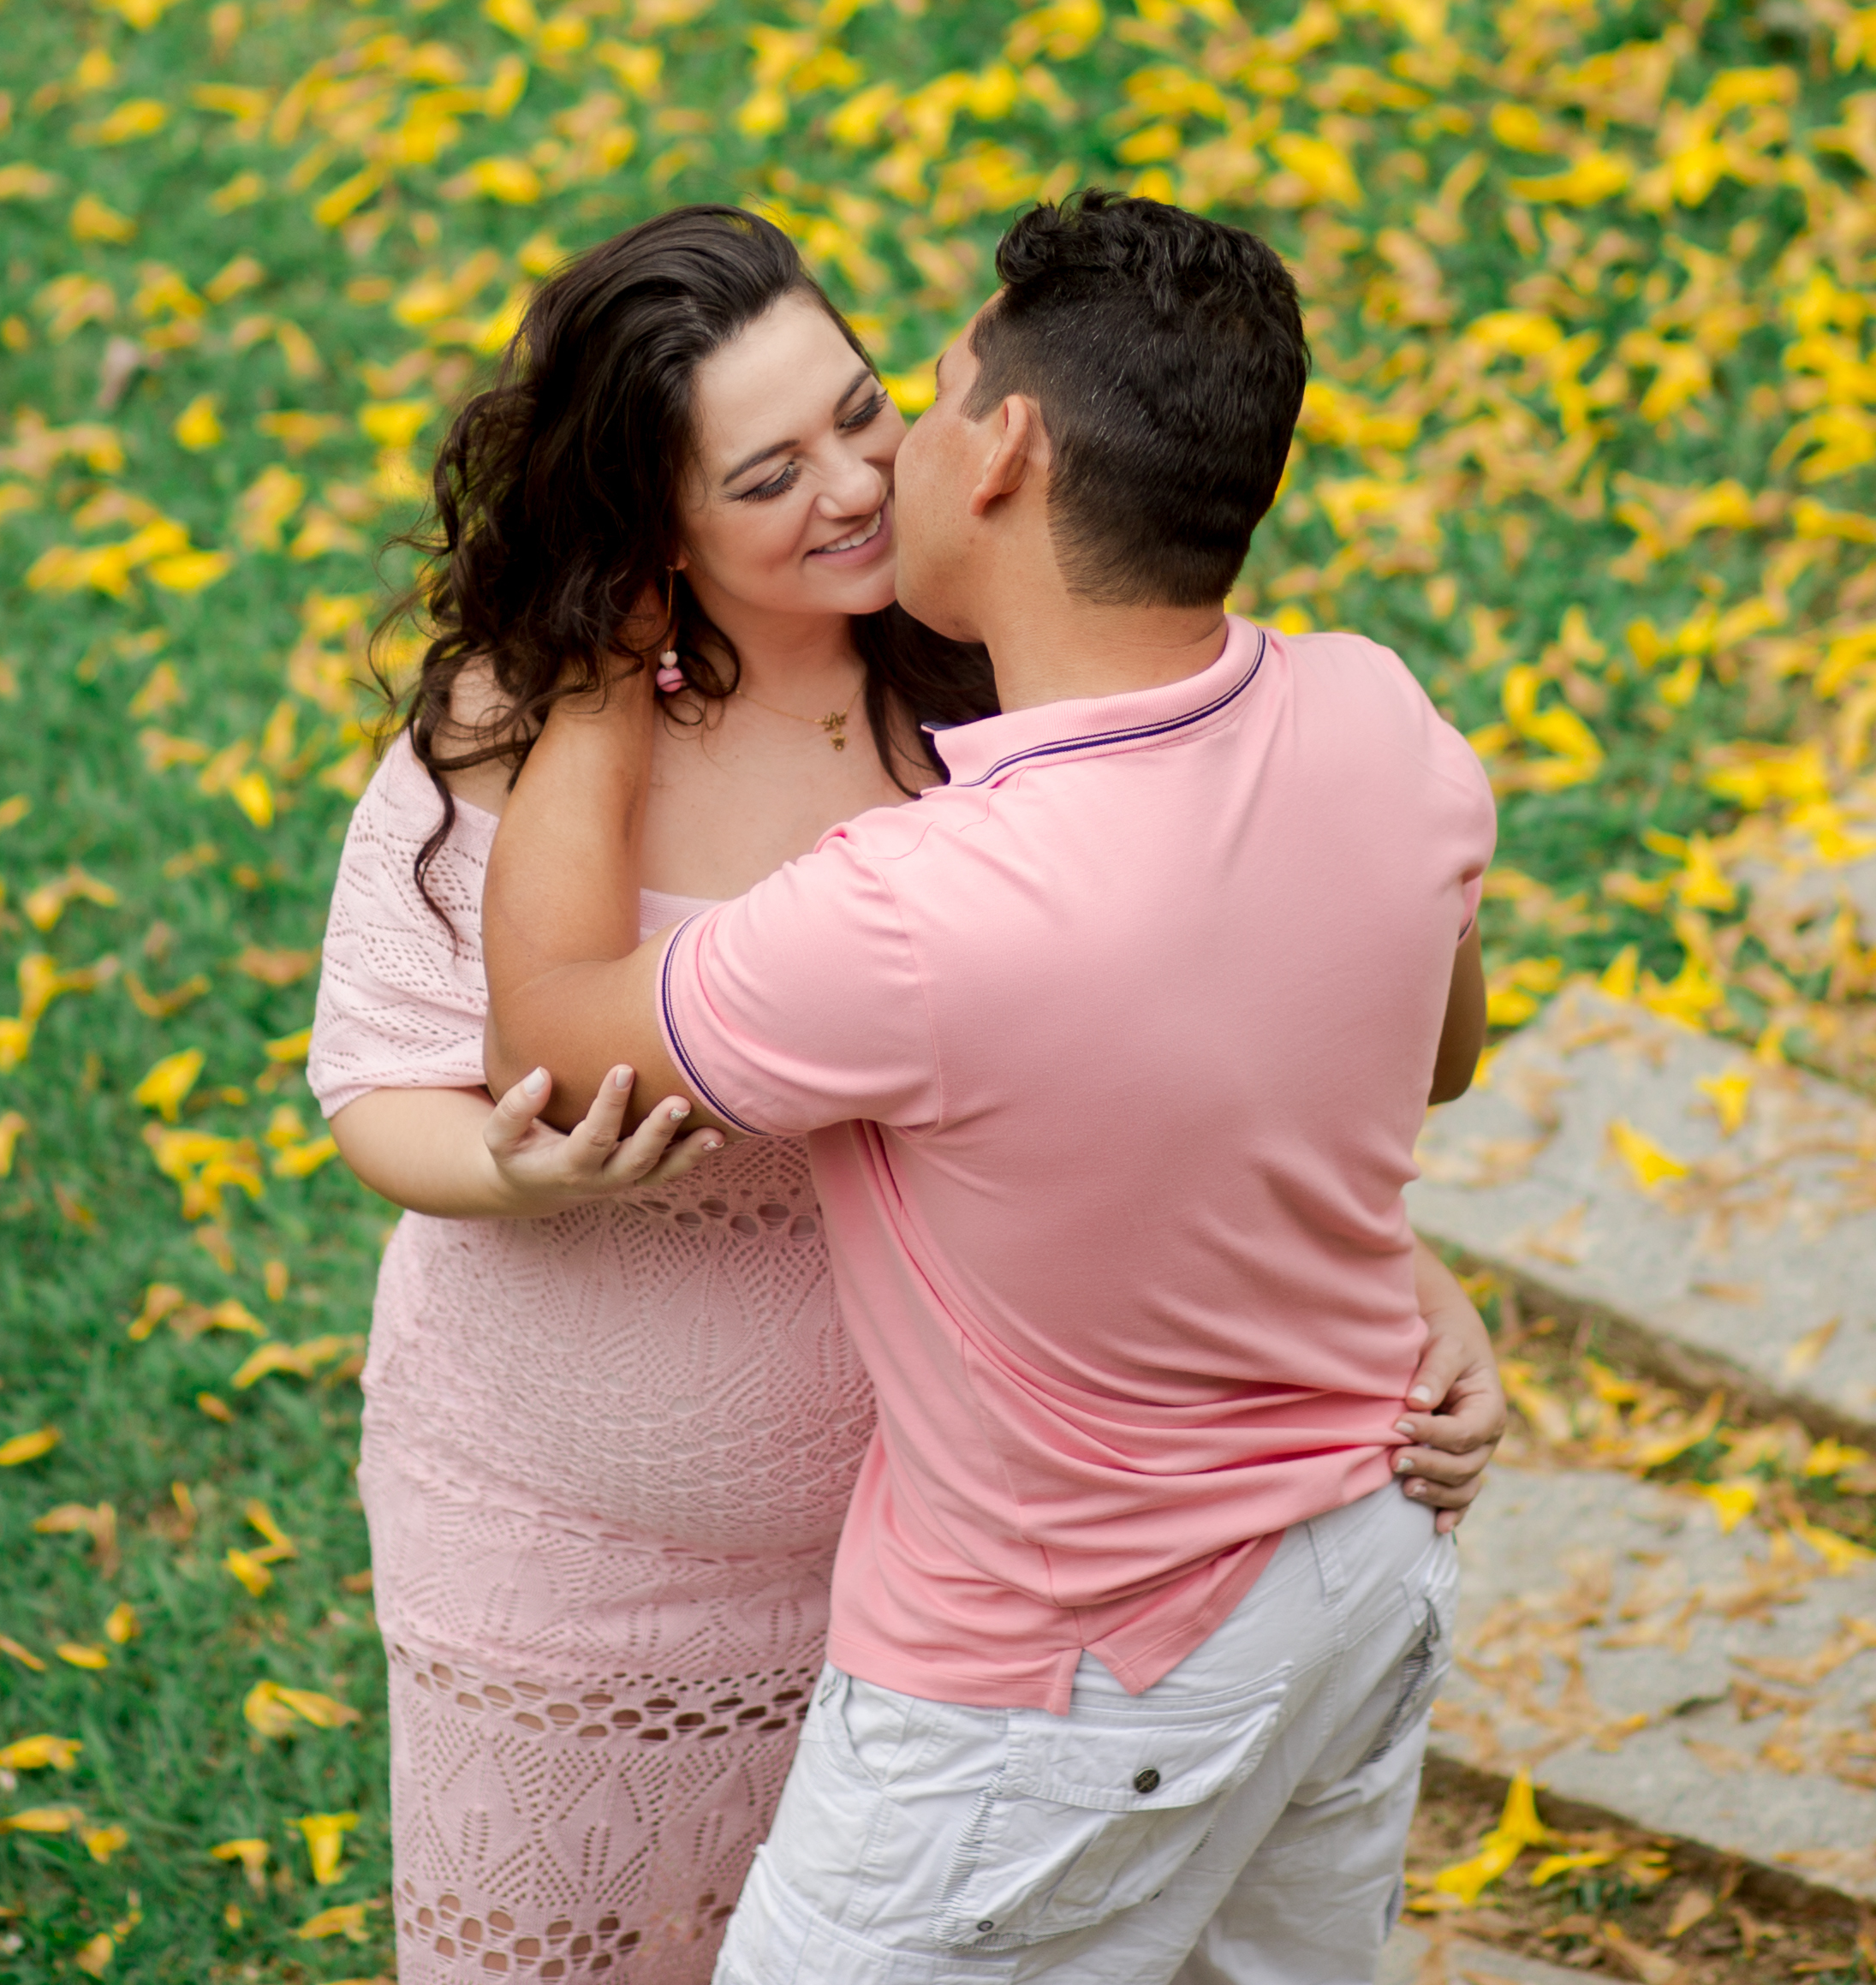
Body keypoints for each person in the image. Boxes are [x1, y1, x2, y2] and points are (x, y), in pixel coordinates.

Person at [307, 203, 1504, 1985]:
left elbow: (1203, 1048)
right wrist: (512, 1167)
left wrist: (1398, 1281)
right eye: (769, 471)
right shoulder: (514, 725)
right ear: (654, 522)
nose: (860, 484)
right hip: (573, 1549)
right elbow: (381, 1074)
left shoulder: (980, 745)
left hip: (948, 1587)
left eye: (875, 410)